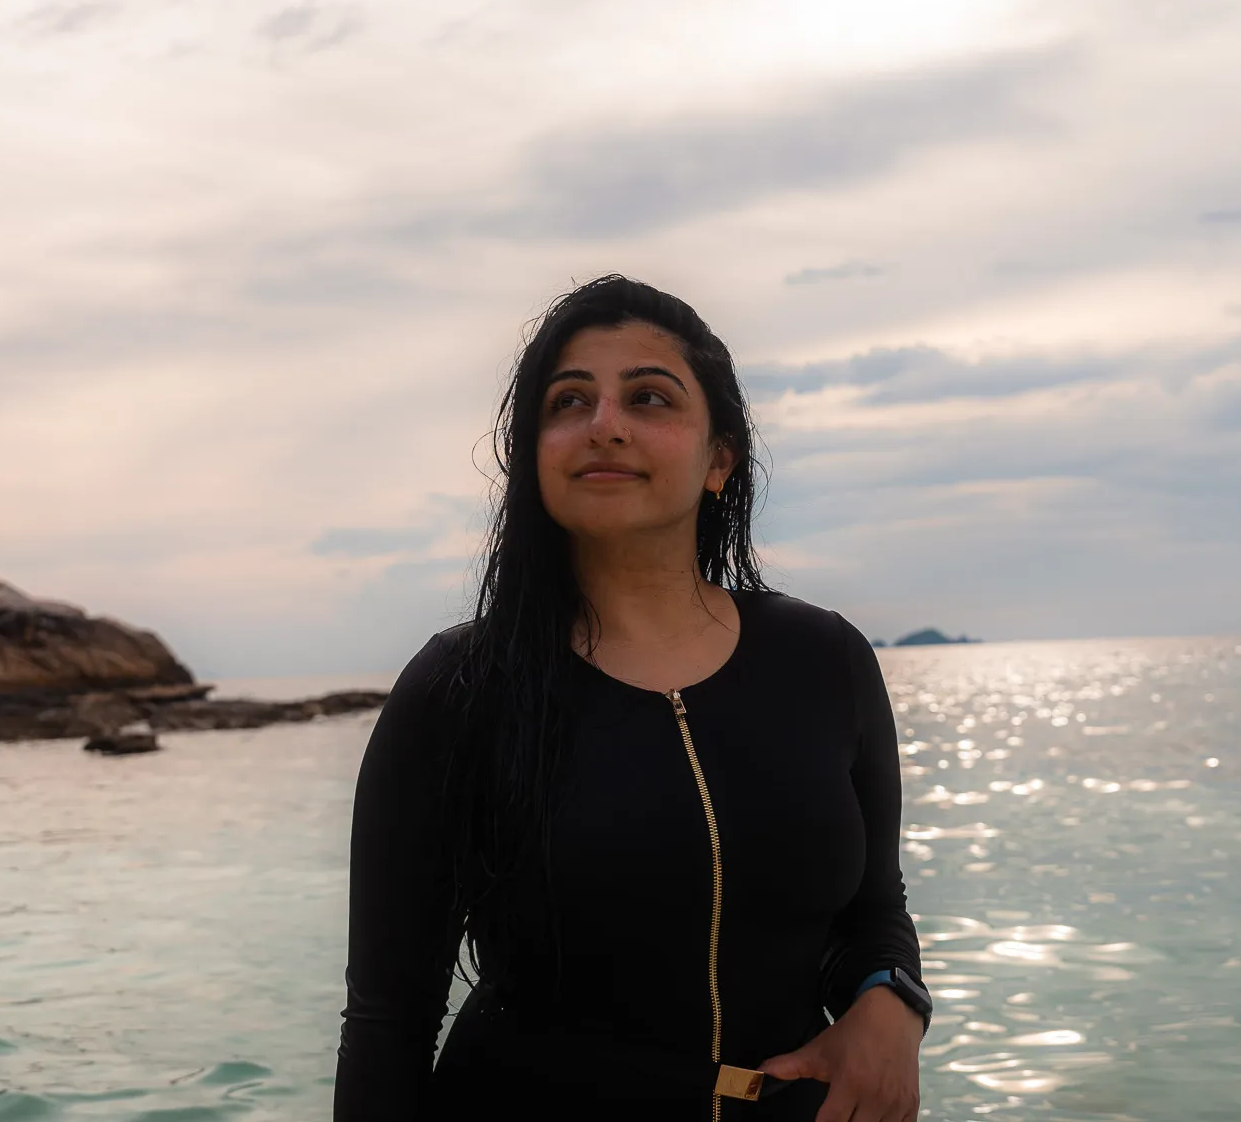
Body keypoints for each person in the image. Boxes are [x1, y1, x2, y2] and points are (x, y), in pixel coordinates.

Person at [336, 276, 932, 1122]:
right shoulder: (459, 690)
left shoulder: (824, 659)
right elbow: (390, 1022)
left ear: (719, 457)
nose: (604, 423)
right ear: (533, 456)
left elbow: (872, 908)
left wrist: (893, 999)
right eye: (567, 402)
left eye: (648, 397)